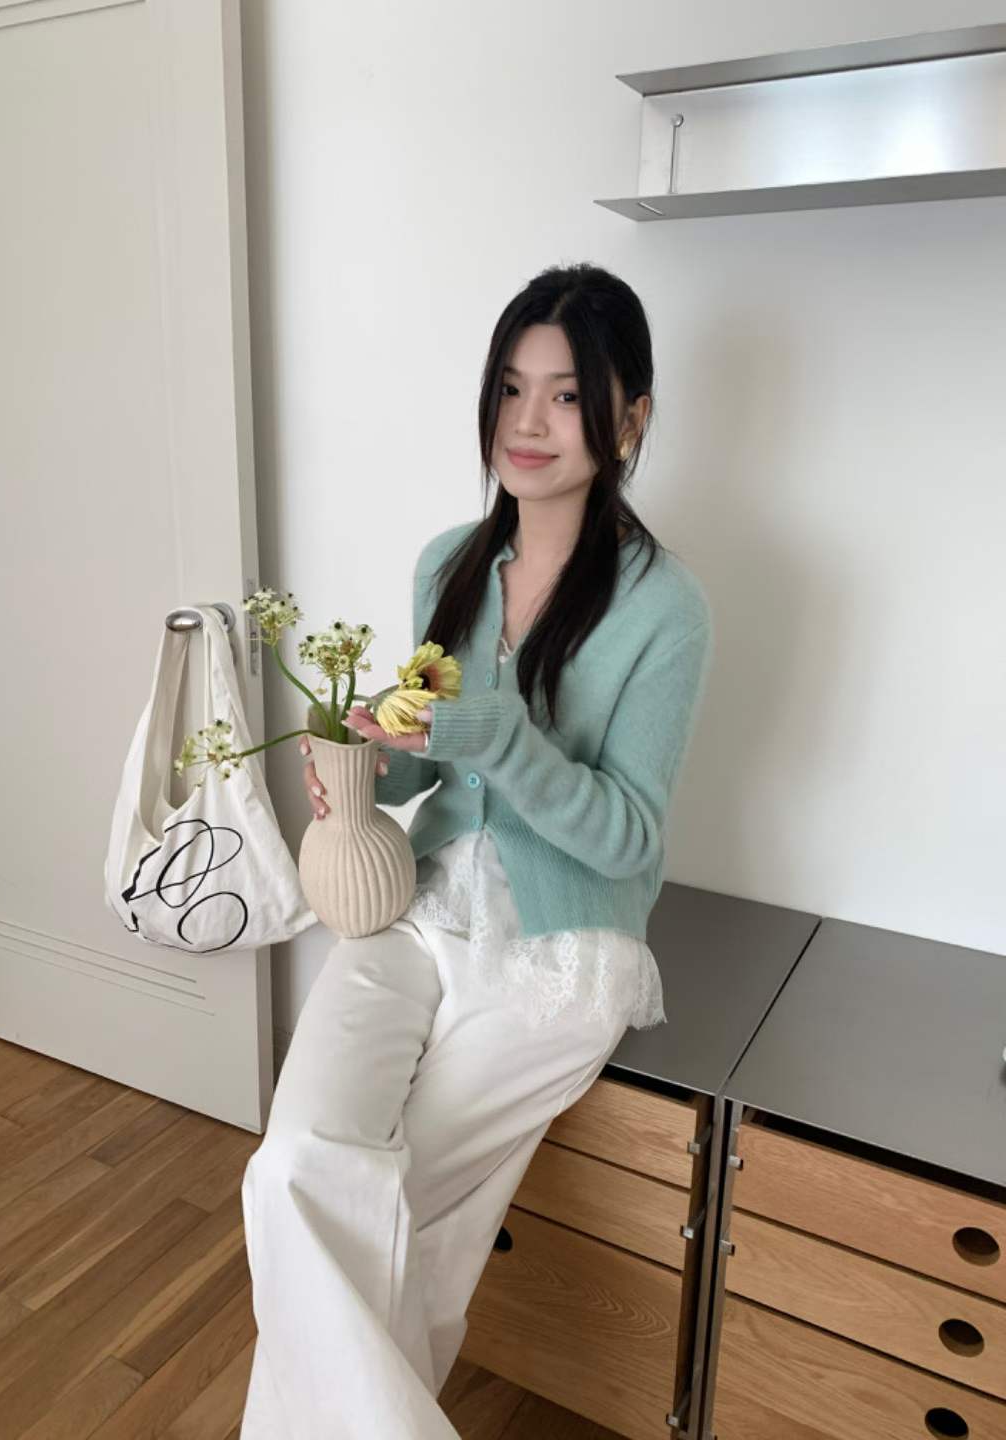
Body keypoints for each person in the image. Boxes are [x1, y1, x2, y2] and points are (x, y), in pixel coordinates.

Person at [239, 262, 714, 1437]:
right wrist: (363, 761)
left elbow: (628, 835)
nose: (527, 422)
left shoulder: (665, 608)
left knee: (384, 1208)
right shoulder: (448, 562)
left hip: (564, 948)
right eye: (510, 387)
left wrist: (495, 731)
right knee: (296, 1167)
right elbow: (430, 766)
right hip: (417, 906)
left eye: (567, 394)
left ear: (631, 418)